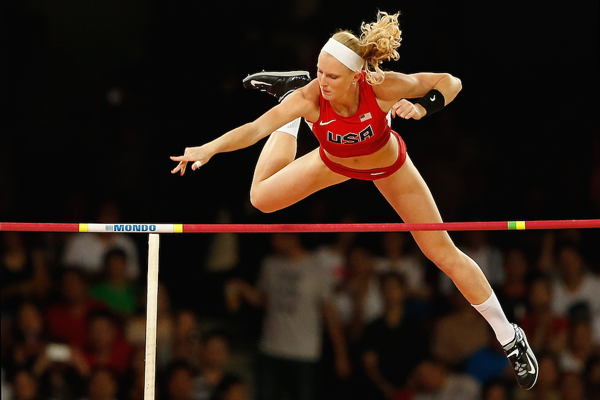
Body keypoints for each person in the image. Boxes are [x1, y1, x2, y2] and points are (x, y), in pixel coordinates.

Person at [170, 11, 537, 390]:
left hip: (389, 166)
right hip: (334, 161)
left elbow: (451, 82)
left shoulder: (381, 86)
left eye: (331, 76)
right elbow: (254, 128)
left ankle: (510, 337)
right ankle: (289, 112)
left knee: (441, 252)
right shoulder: (311, 95)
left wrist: (424, 106)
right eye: (318, 72)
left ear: (356, 76)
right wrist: (208, 149)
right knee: (261, 198)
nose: (322, 82)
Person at [224, 232, 350, 400]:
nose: (273, 241)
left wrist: (341, 354)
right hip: (271, 347)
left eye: (277, 236)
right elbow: (262, 300)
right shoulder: (270, 264)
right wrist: (241, 287)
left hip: (304, 352)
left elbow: (329, 313)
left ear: (292, 237)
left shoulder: (316, 268)